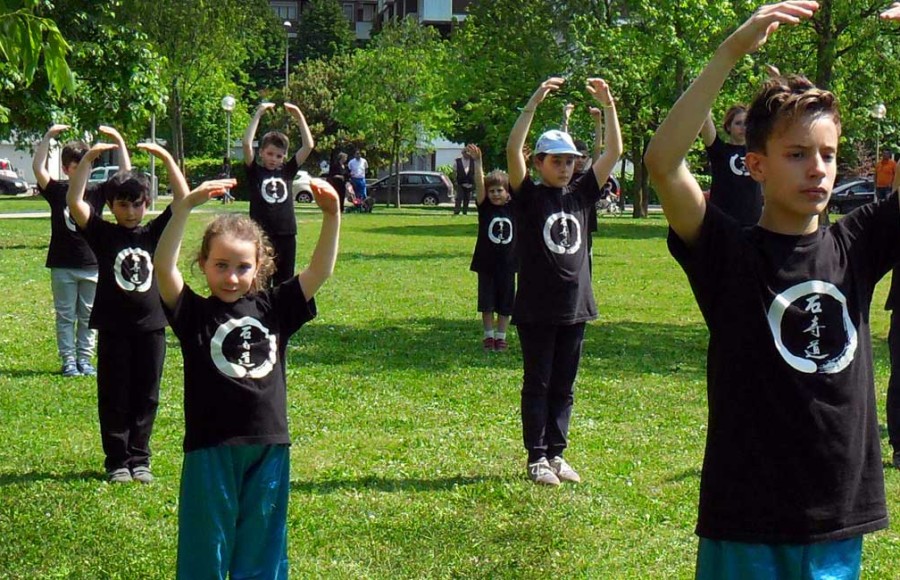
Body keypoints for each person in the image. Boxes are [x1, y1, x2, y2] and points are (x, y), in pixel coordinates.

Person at [644, 2, 900, 577]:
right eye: (797, 154)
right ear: (754, 165)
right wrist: (729, 53)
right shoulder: (728, 252)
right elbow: (663, 162)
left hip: (837, 517)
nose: (819, 169)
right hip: (746, 518)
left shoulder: (855, 245)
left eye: (828, 155)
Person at [153, 170, 339, 578]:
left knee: (263, 544)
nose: (232, 277)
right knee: (207, 545)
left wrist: (332, 216)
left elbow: (319, 272)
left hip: (268, 443)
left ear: (259, 267)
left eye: (242, 267)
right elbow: (163, 268)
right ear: (202, 264)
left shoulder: (274, 308)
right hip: (211, 445)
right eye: (221, 265)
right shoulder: (195, 314)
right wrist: (182, 210)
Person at [506, 76, 621, 486]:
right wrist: (534, 100)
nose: (565, 167)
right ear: (538, 162)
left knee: (564, 385)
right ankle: (536, 457)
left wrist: (608, 107)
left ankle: (557, 454)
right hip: (537, 308)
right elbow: (510, 149)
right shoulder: (529, 196)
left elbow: (614, 152)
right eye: (556, 161)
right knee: (538, 382)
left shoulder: (581, 194)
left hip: (575, 307)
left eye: (569, 161)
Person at [66, 140, 183, 484]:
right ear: (112, 206)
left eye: (137, 204)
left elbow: (182, 200)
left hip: (152, 327)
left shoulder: (153, 233)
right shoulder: (103, 234)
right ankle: (117, 459)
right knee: (115, 393)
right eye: (123, 205)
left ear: (146, 204)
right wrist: (87, 160)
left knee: (147, 394)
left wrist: (165, 158)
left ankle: (140, 457)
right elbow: (74, 201)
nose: (130, 212)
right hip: (114, 327)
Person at [33, 124, 129, 377]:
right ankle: (68, 361)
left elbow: (125, 174)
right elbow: (38, 169)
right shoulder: (57, 191)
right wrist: (48, 135)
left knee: (88, 316)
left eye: (88, 165)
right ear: (66, 169)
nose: (83, 171)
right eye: (78, 166)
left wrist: (118, 140)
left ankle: (85, 361)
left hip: (92, 265)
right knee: (65, 316)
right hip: (62, 264)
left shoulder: (97, 192)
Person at [242, 102, 315, 286]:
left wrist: (299, 116)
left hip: (286, 234)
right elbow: (246, 144)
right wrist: (258, 113)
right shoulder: (255, 172)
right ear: (262, 153)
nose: (274, 159)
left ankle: (281, 314)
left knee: (284, 281)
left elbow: (308, 146)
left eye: (279, 156)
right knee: (261, 281)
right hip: (261, 235)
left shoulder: (287, 171)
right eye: (270, 153)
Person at [467, 144, 515, 352]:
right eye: (492, 191)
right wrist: (478, 162)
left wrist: (519, 162)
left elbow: (519, 183)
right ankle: (488, 336)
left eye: (500, 190)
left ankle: (501, 336)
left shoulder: (514, 208)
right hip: (486, 264)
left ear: (507, 193)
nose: (495, 194)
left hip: (508, 264)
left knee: (505, 304)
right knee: (486, 303)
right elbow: (479, 184)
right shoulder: (485, 208)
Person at [700, 101, 764, 227]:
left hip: (753, 225)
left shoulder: (759, 152)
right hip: (722, 224)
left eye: (746, 123)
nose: (743, 127)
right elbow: (705, 118)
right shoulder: (719, 150)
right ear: (728, 126)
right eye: (738, 123)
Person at [454, 147, 475, 215]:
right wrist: (455, 180)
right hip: (460, 182)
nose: (468, 155)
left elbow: (474, 172)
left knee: (467, 198)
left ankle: (465, 211)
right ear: (463, 153)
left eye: (469, 153)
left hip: (469, 182)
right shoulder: (458, 161)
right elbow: (454, 172)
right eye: (466, 153)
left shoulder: (473, 161)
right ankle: (457, 211)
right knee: (459, 198)